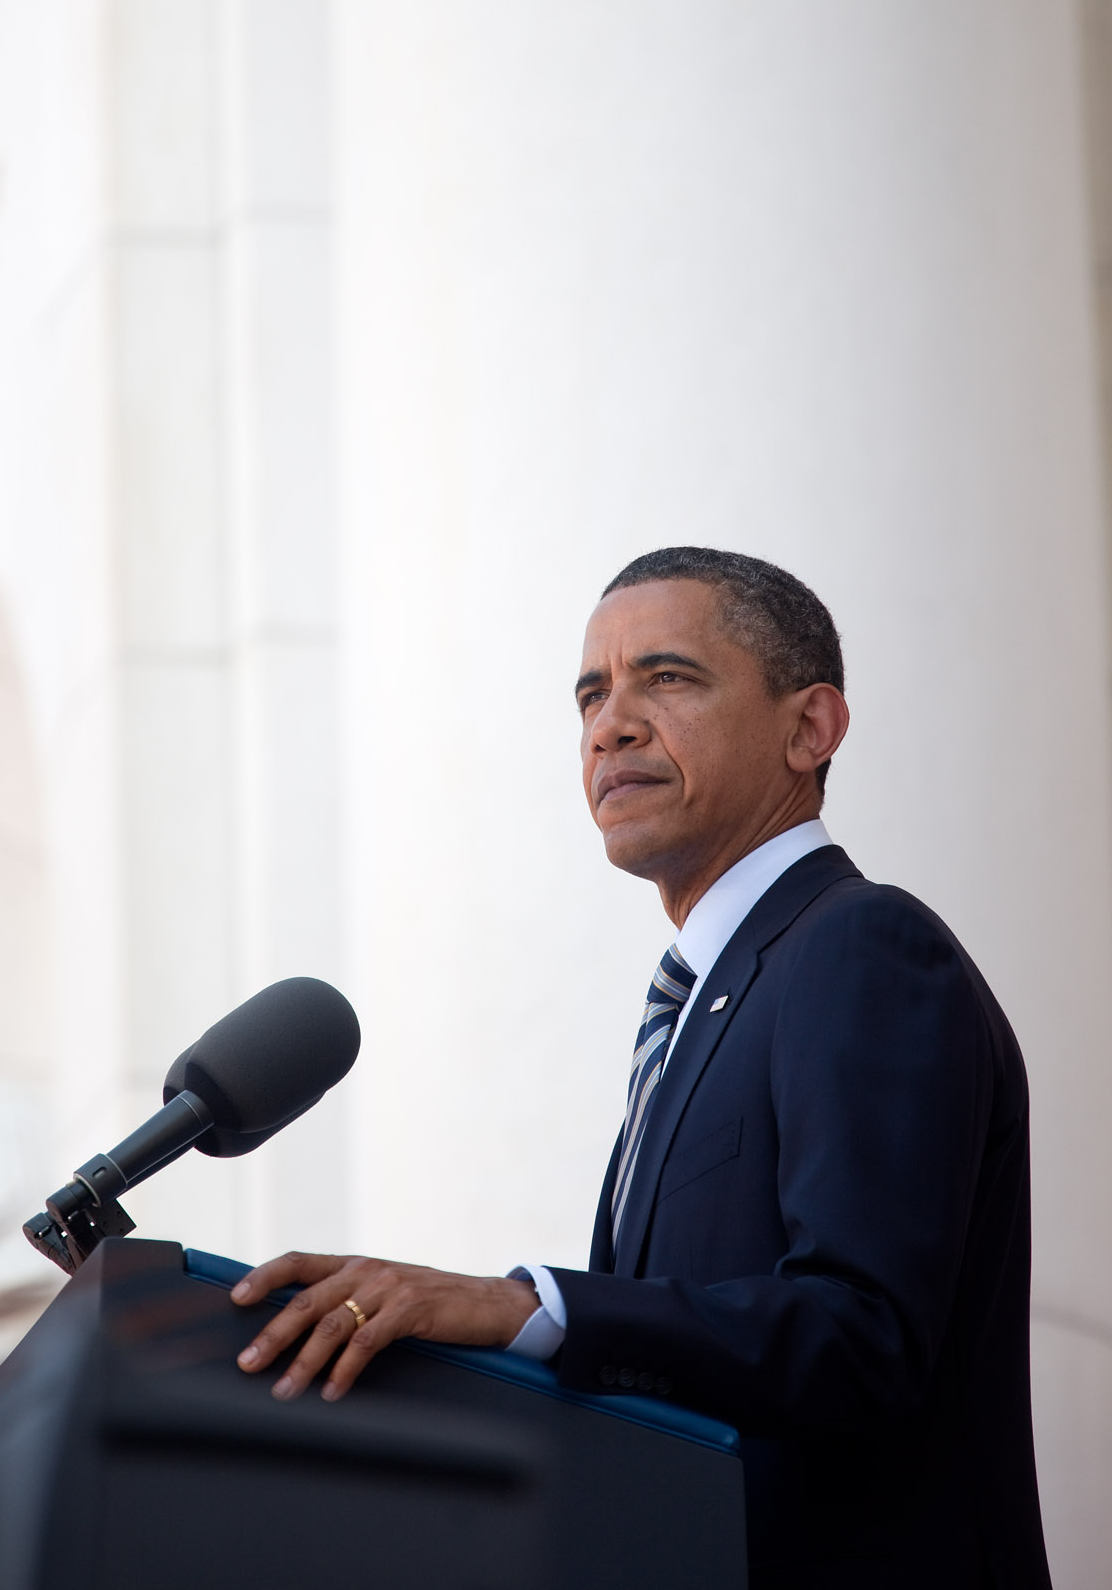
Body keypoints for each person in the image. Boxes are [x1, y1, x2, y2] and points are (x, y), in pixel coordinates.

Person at [229, 546, 1051, 1588]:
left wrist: (524, 1306)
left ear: (809, 728)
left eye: (665, 678)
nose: (607, 725)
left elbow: (860, 1336)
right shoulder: (699, 1007)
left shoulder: (859, 947)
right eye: (589, 695)